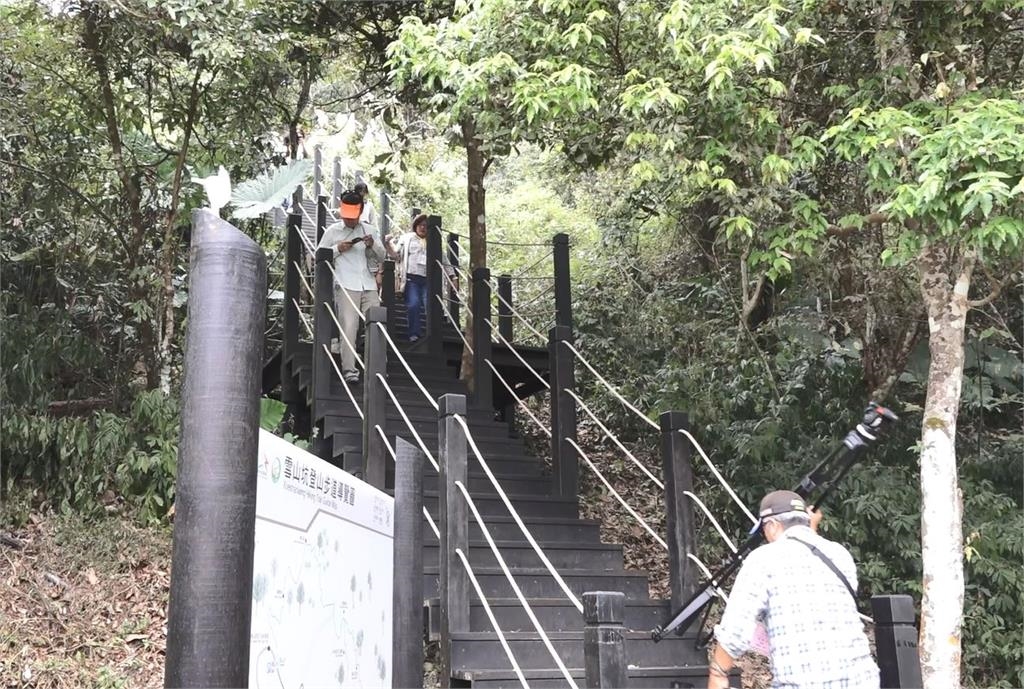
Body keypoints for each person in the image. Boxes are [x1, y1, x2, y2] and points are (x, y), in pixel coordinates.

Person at [708, 490, 879, 689]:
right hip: (862, 680)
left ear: (772, 526)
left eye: (764, 529)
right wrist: (810, 527)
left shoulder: (763, 559)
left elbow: (735, 632)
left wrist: (718, 672)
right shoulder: (840, 555)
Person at [317, 189, 384, 382]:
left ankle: (377, 369)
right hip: (345, 284)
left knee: (377, 326)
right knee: (349, 327)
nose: (349, 221)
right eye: (346, 217)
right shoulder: (333, 232)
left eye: (353, 217)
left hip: (368, 284)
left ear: (361, 212)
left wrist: (372, 245)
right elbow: (317, 257)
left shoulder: (370, 230)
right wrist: (337, 248)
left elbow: (382, 257)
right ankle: (349, 370)